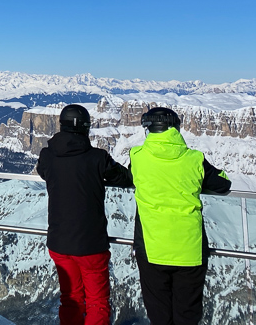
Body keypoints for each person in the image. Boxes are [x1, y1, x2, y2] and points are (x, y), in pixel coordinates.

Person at [129, 107, 231, 325]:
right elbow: (223, 183)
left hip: (151, 249)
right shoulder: (195, 159)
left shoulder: (137, 157)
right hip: (189, 251)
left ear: (148, 129)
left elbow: (130, 176)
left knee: (159, 315)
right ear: (175, 128)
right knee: (187, 316)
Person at [37, 105, 132, 325]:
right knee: (97, 302)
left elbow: (43, 171)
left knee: (70, 299)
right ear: (86, 128)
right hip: (91, 245)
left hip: (59, 242)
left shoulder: (47, 155)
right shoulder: (98, 158)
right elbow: (124, 178)